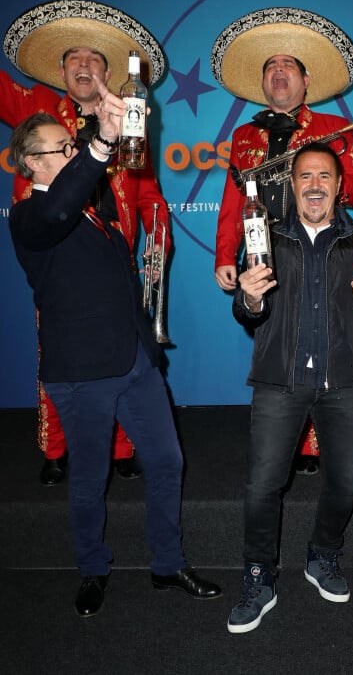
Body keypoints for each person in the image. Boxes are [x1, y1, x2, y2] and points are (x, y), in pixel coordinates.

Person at [9, 108, 221, 617]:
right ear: (32, 165)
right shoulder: (30, 214)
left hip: (134, 364)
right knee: (88, 477)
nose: (74, 152)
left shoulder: (92, 211)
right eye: (63, 148)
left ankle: (168, 565)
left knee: (168, 461)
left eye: (74, 144)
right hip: (81, 375)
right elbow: (57, 212)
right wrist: (101, 144)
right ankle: (92, 570)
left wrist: (146, 347)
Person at [226, 142, 353, 634]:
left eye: (325, 176)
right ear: (292, 184)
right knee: (263, 487)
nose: (316, 185)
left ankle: (322, 556)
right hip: (280, 380)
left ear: (340, 186)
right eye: (305, 176)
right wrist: (250, 299)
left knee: (346, 481)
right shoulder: (265, 238)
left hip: (342, 380)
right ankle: (258, 577)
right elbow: (245, 312)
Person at [1, 0, 168, 485]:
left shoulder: (129, 121)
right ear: (59, 69)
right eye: (74, 57)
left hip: (112, 258)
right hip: (58, 253)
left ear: (108, 72)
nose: (84, 65)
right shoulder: (36, 107)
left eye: (94, 59)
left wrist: (158, 247)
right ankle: (55, 448)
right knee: (58, 354)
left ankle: (120, 448)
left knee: (123, 355)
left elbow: (150, 194)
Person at [211, 7, 353, 474]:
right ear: (263, 83)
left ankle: (313, 444)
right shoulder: (242, 137)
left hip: (321, 251)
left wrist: (340, 159)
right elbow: (230, 202)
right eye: (271, 67)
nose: (279, 74)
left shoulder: (333, 130)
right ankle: (281, 432)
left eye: (288, 66)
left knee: (321, 338)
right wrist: (226, 254)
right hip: (264, 255)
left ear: (305, 79)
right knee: (274, 342)